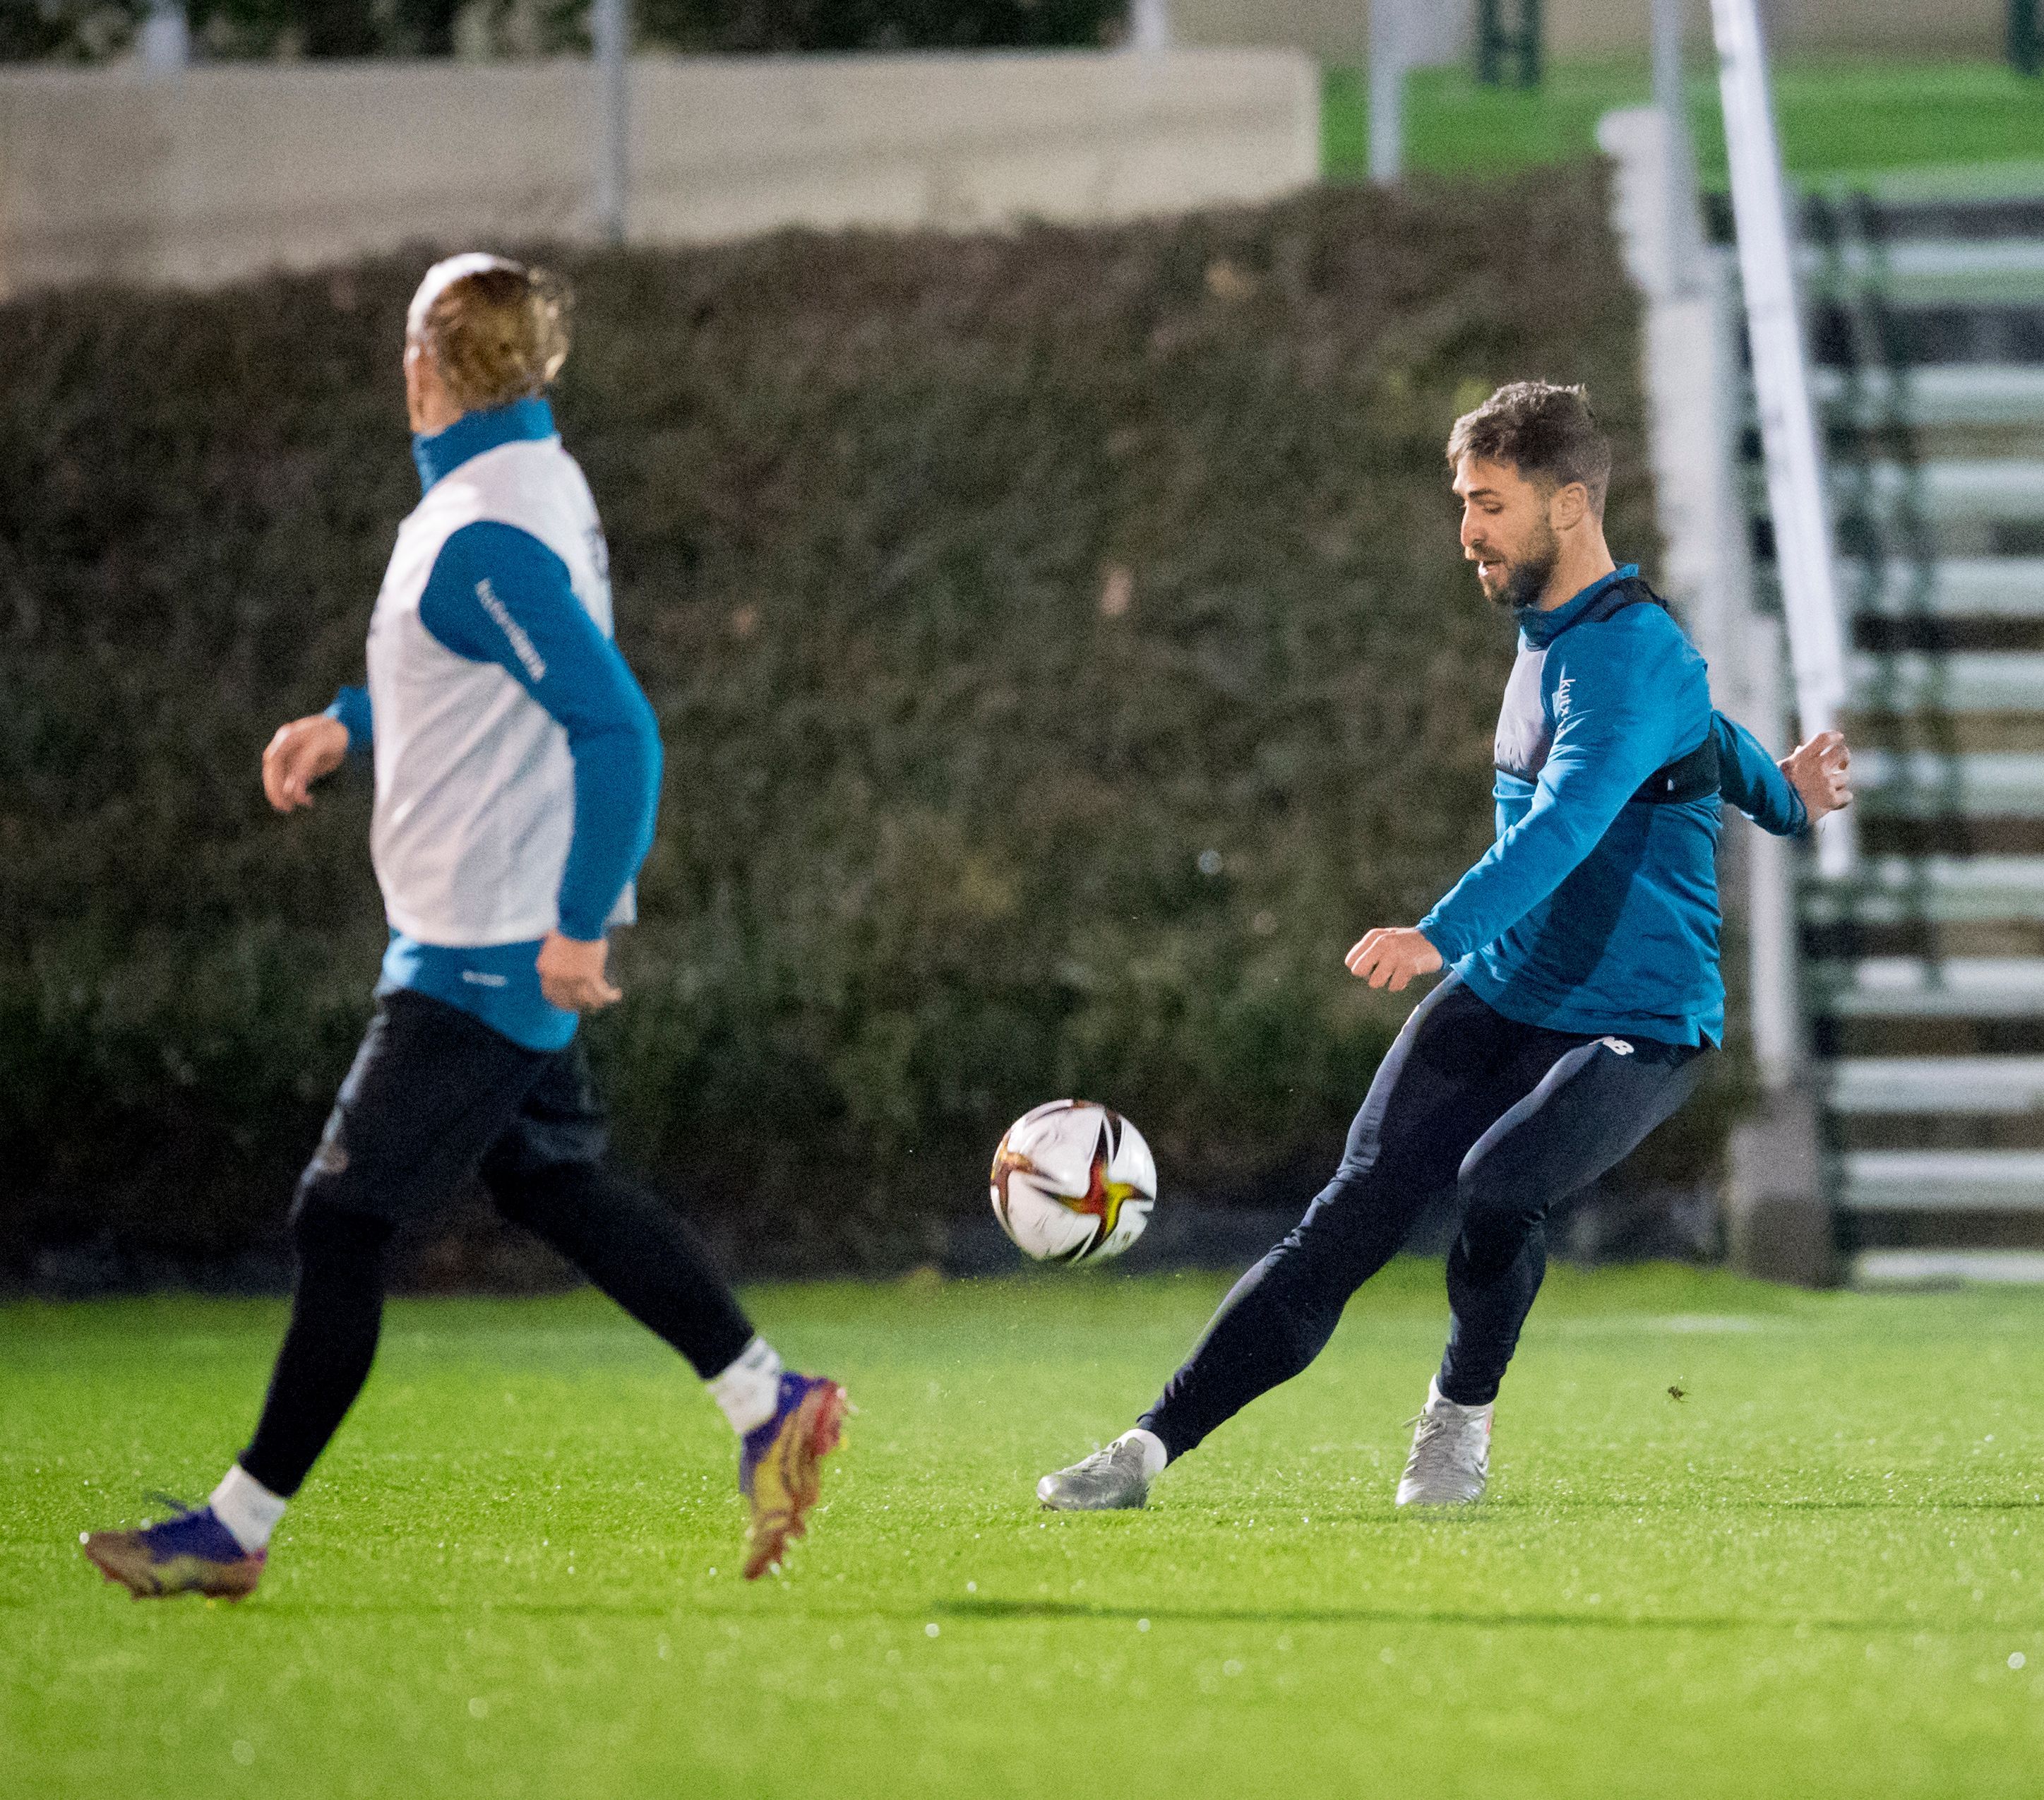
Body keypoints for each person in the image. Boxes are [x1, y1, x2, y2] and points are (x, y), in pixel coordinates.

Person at [80, 255, 847, 1599]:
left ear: (422, 367)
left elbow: (619, 729)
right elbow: (475, 672)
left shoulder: (477, 528)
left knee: (340, 1220)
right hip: (485, 923)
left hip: (484, 946)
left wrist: (575, 926)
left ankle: (237, 1527)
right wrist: (352, 722)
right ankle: (765, 1398)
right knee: (551, 1183)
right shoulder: (532, 484)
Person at [1039, 381, 1851, 1510]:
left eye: (1488, 503)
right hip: (1509, 992)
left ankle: (1458, 1418)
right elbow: (1701, 733)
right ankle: (1143, 1448)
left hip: (1641, 1021)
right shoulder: (1567, 638)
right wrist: (1785, 796)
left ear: (1570, 505)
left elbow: (1568, 822)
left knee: (1499, 1183)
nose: (1466, 529)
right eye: (1463, 502)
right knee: (1346, 1219)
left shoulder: (1627, 655)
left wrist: (1439, 933)